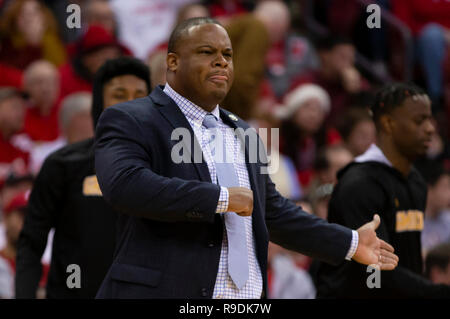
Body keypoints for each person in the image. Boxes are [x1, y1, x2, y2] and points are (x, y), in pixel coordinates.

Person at [94, 17, 398, 299]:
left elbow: (272, 212)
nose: (221, 61)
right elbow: (124, 184)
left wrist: (350, 243)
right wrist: (220, 199)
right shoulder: (132, 118)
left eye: (228, 54)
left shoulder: (243, 131)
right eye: (206, 51)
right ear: (172, 62)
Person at [15, 57, 151, 299]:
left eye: (140, 94)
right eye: (119, 94)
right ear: (100, 104)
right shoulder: (63, 164)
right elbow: (31, 243)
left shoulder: (166, 167)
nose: (131, 104)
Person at [315, 83, 450, 298]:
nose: (431, 128)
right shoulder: (359, 184)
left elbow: (409, 261)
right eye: (419, 120)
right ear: (388, 124)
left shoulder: (415, 180)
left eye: (430, 119)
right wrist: (436, 292)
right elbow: (373, 273)